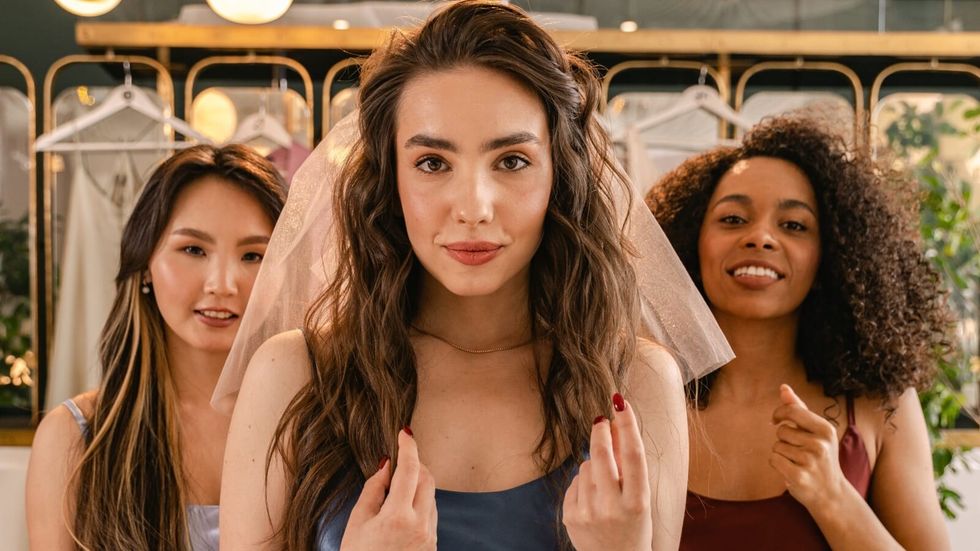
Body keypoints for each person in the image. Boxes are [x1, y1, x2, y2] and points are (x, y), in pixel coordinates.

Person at [217, 1, 732, 550]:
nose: (473, 207)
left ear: (562, 175)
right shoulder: (295, 376)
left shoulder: (637, 384)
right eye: (433, 164)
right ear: (390, 181)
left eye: (511, 161)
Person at [647, 115, 952, 550]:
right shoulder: (639, 393)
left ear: (832, 255)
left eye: (794, 226)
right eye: (733, 219)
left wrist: (833, 496)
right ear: (691, 240)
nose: (761, 238)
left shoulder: (880, 405)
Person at [26, 144, 287, 550]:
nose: (222, 283)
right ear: (146, 262)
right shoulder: (78, 438)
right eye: (194, 250)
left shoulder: (313, 427)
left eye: (253, 255)